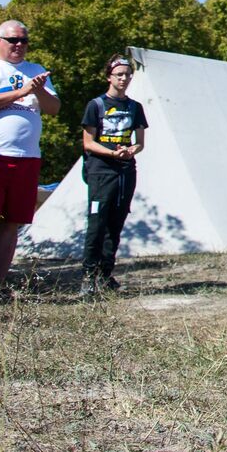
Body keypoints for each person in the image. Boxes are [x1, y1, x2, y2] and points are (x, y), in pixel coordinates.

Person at [0, 20, 59, 295]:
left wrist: (39, 89)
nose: (18, 45)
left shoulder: (37, 71)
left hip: (27, 157)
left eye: (23, 40)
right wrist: (21, 92)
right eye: (12, 40)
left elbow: (53, 108)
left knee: (12, 223)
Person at [79, 54, 148, 295]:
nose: (124, 79)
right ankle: (88, 276)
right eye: (119, 74)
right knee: (97, 223)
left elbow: (140, 142)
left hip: (125, 171)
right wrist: (111, 153)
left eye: (128, 75)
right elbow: (88, 142)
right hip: (100, 170)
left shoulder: (134, 107)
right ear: (109, 76)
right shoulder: (96, 105)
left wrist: (130, 150)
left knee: (116, 222)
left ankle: (105, 274)